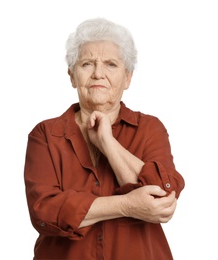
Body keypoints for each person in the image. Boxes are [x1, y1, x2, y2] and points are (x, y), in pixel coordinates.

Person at [24, 17, 185, 260]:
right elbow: (45, 211)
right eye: (87, 63)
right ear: (72, 76)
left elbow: (162, 199)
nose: (98, 73)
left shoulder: (150, 128)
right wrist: (126, 205)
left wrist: (109, 144)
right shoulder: (45, 135)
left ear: (128, 78)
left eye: (111, 64)